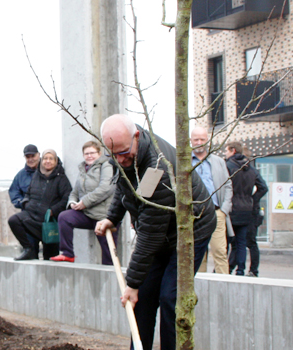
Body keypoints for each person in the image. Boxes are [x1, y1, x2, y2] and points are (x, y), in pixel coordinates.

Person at [94, 114, 217, 350]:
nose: (120, 159)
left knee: (171, 299)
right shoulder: (124, 154)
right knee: (143, 299)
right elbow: (125, 187)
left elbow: (150, 234)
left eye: (123, 152)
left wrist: (131, 283)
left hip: (190, 230)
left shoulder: (156, 169)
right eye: (114, 155)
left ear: (136, 137)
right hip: (161, 231)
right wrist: (112, 218)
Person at [51, 141, 116, 264]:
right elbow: (75, 191)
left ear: (99, 153)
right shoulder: (83, 170)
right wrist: (72, 203)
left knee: (109, 256)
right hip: (86, 214)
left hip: (103, 216)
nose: (89, 156)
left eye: (92, 153)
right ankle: (67, 253)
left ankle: (111, 278)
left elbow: (105, 188)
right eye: (86, 154)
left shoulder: (107, 165)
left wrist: (85, 202)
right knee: (64, 217)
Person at [10, 149, 72, 260]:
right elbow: (28, 193)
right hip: (32, 218)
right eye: (45, 159)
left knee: (50, 257)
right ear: (42, 160)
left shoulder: (61, 178)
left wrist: (53, 211)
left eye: (51, 159)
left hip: (49, 222)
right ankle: (27, 249)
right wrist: (26, 204)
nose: (48, 161)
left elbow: (66, 198)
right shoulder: (36, 175)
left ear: (56, 161)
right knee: (14, 220)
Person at [191, 128, 234, 274]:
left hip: (216, 213)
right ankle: (199, 286)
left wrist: (224, 210)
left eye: (202, 139)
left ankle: (224, 285)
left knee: (220, 252)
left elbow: (228, 185)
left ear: (207, 140)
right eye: (196, 139)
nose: (199, 142)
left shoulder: (218, 162)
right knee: (198, 254)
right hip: (195, 215)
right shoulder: (185, 163)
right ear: (191, 141)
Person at [224, 140, 267, 276]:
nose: (225, 153)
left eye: (226, 150)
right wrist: (252, 200)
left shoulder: (228, 166)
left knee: (227, 243)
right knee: (242, 242)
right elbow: (263, 187)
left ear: (233, 151)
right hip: (247, 209)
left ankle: (224, 269)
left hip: (231, 208)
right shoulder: (251, 168)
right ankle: (240, 270)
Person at [9, 144, 40, 209]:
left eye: (33, 156)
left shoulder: (48, 171)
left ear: (38, 155)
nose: (30, 159)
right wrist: (24, 204)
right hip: (29, 212)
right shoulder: (20, 176)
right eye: (27, 157)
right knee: (13, 219)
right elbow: (14, 194)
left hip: (48, 211)